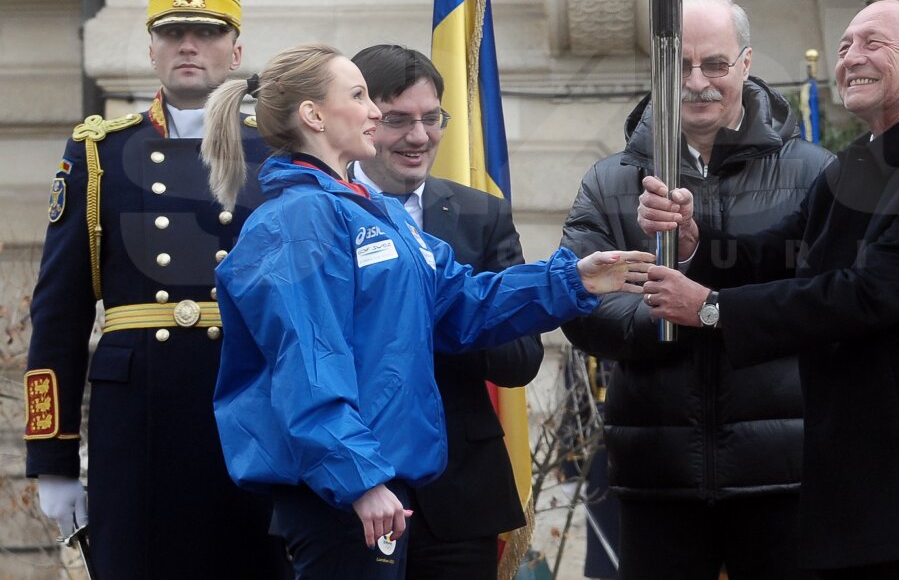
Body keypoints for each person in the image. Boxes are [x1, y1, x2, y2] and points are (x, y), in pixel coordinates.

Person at [201, 43, 653, 580]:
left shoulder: (376, 212)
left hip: (382, 484)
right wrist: (359, 478)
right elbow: (308, 363)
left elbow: (463, 302)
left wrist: (570, 279)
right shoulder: (297, 220)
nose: (373, 111)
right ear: (313, 115)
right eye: (360, 95)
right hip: (345, 496)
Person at [638, 0, 899, 580]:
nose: (850, 59)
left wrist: (711, 310)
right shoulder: (859, 163)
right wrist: (693, 240)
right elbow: (778, 254)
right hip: (847, 489)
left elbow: (862, 297)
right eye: (844, 46)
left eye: (873, 43)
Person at [22, 0, 287, 579]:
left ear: (237, 49)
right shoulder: (101, 153)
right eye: (172, 33)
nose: (188, 45)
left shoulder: (279, 157)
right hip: (138, 423)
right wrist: (53, 457)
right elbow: (57, 313)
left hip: (253, 414)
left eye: (205, 30)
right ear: (150, 49)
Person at [560, 0, 832, 580]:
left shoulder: (814, 173)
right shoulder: (611, 182)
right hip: (658, 473)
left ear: (746, 64)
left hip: (784, 471)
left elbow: (825, 304)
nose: (697, 81)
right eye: (679, 64)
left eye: (715, 64)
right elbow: (579, 306)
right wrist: (668, 317)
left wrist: (711, 306)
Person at [349, 43, 542, 580]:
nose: (419, 137)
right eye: (397, 120)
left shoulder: (480, 214)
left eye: (431, 119)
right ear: (359, 119)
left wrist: (438, 305)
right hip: (347, 494)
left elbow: (520, 360)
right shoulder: (319, 210)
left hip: (460, 498)